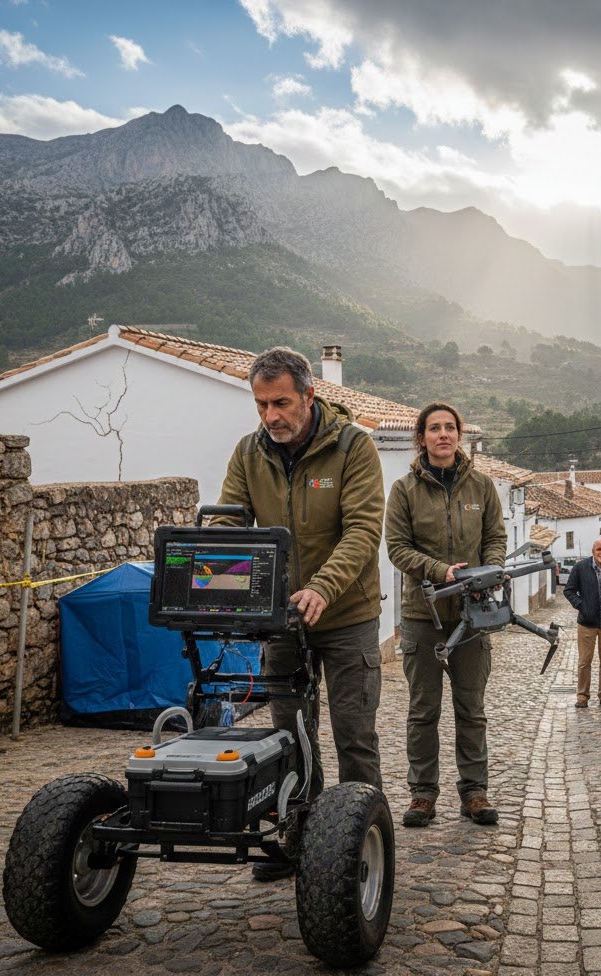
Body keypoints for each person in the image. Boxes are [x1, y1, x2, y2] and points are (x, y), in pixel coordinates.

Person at [216, 346, 385, 879]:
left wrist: (322, 588)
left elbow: (362, 531)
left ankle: (363, 843)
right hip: (282, 620)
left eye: (282, 402)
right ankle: (302, 837)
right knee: (291, 734)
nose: (272, 416)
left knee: (354, 734)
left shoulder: (354, 448)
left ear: (309, 396)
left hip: (346, 616)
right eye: (262, 405)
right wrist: (222, 576)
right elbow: (229, 524)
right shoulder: (249, 453)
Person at [385, 402, 507, 828]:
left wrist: (489, 570)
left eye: (449, 427)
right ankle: (422, 794)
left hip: (474, 618)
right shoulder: (404, 490)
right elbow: (397, 548)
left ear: (459, 435)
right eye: (434, 428)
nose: (443, 435)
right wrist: (441, 572)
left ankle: (475, 793)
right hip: (423, 616)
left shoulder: (482, 487)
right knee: (423, 711)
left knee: (471, 709)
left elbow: (495, 538)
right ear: (421, 438)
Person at [563, 538, 601, 708]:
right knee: (584, 661)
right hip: (586, 623)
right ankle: (582, 696)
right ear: (593, 550)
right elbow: (568, 590)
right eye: (599, 549)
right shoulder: (580, 568)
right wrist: (582, 605)